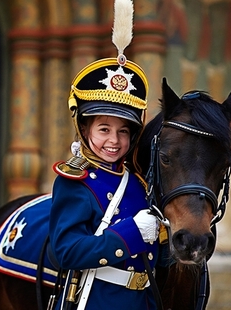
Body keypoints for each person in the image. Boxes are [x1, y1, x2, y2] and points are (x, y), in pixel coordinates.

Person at [47, 1, 160, 309]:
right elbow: (65, 252)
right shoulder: (75, 182)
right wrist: (129, 236)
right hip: (96, 300)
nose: (114, 140)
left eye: (124, 131)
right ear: (84, 129)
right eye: (104, 129)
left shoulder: (139, 181)